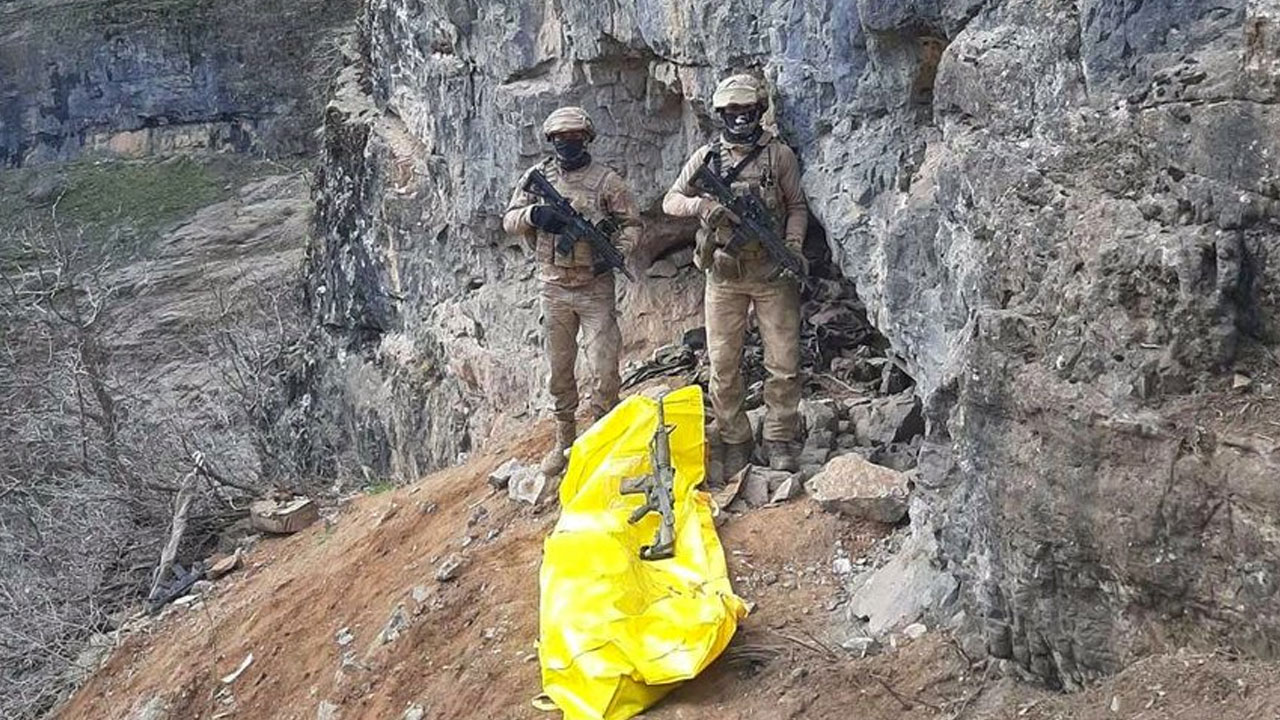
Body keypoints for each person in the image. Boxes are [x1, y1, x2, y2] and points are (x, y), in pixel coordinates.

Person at [662, 74, 809, 475]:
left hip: (772, 275)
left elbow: (796, 206)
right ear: (721, 114)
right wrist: (702, 208)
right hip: (724, 279)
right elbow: (671, 200)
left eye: (747, 112)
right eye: (732, 113)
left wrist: (793, 247)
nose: (740, 120)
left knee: (783, 362)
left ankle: (780, 436)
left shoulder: (778, 157)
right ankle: (734, 438)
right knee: (723, 364)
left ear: (759, 111)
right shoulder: (708, 158)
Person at [503, 106, 641, 476]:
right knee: (559, 370)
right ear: (550, 141)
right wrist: (535, 216)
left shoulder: (608, 181)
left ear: (587, 138)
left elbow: (632, 225)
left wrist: (614, 255)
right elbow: (510, 219)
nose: (568, 144)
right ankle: (565, 442)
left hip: (595, 287)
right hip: (554, 287)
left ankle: (601, 439)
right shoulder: (537, 178)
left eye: (575, 136)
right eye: (560, 138)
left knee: (604, 369)